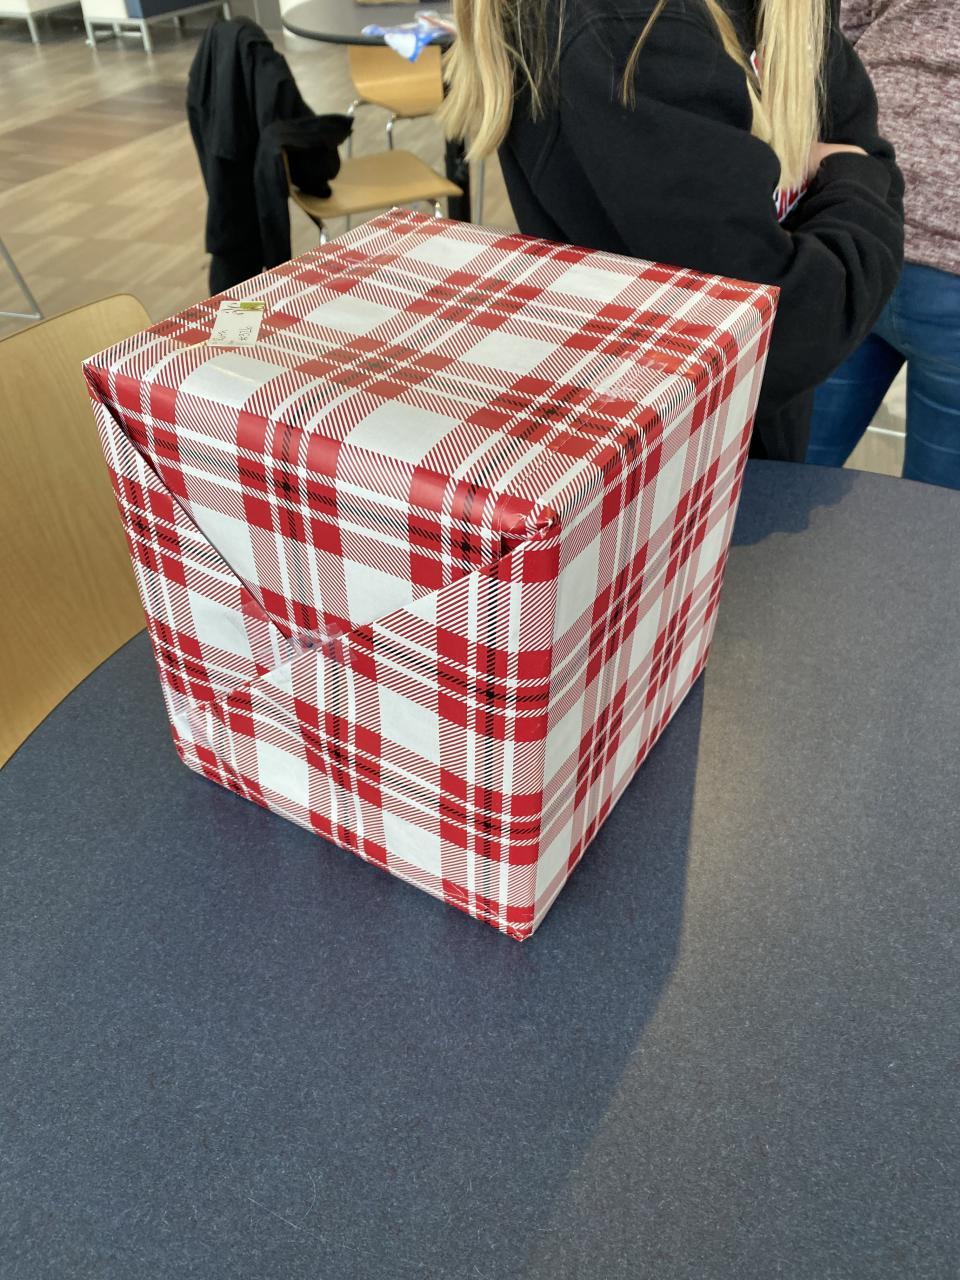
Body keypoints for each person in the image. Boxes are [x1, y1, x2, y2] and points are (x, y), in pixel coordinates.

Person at [441, 0, 904, 463]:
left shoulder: (765, 17)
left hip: (686, 425)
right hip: (671, 446)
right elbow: (780, 334)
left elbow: (856, 135)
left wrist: (854, 174)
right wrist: (854, 176)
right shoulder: (630, 32)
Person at [805, 1, 960, 490]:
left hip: (857, 214)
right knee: (933, 508)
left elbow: (840, 30)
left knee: (782, 474)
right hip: (872, 228)